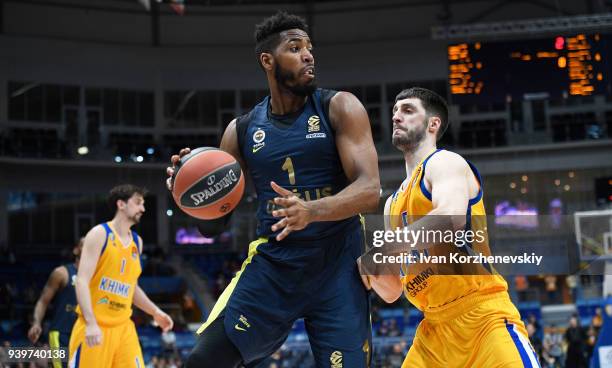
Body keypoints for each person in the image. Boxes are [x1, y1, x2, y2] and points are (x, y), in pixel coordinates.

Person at [166, 11, 380, 368]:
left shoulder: (340, 107)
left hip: (338, 266)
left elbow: (370, 191)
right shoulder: (242, 130)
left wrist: (312, 211)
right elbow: (214, 227)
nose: (308, 55)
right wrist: (190, 194)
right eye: (295, 48)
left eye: (309, 47)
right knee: (203, 361)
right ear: (268, 60)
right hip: (275, 267)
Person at [361, 87, 540, 367]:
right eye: (395, 111)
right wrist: (366, 264)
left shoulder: (444, 163)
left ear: (433, 124)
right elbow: (392, 290)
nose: (396, 117)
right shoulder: (391, 205)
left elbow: (451, 219)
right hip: (433, 332)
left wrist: (384, 249)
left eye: (408, 110)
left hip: (482, 318)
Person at [68, 184, 174, 367]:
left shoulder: (137, 243)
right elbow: (82, 281)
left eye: (143, 204)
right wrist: (91, 323)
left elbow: (131, 287)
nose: (143, 208)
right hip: (94, 327)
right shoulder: (99, 234)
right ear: (121, 204)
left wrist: (155, 311)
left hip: (124, 328)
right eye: (138, 203)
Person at [27, 238, 83, 368]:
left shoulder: (97, 276)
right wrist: (36, 323)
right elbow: (43, 301)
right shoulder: (61, 273)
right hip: (61, 334)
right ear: (76, 250)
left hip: (84, 334)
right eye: (84, 244)